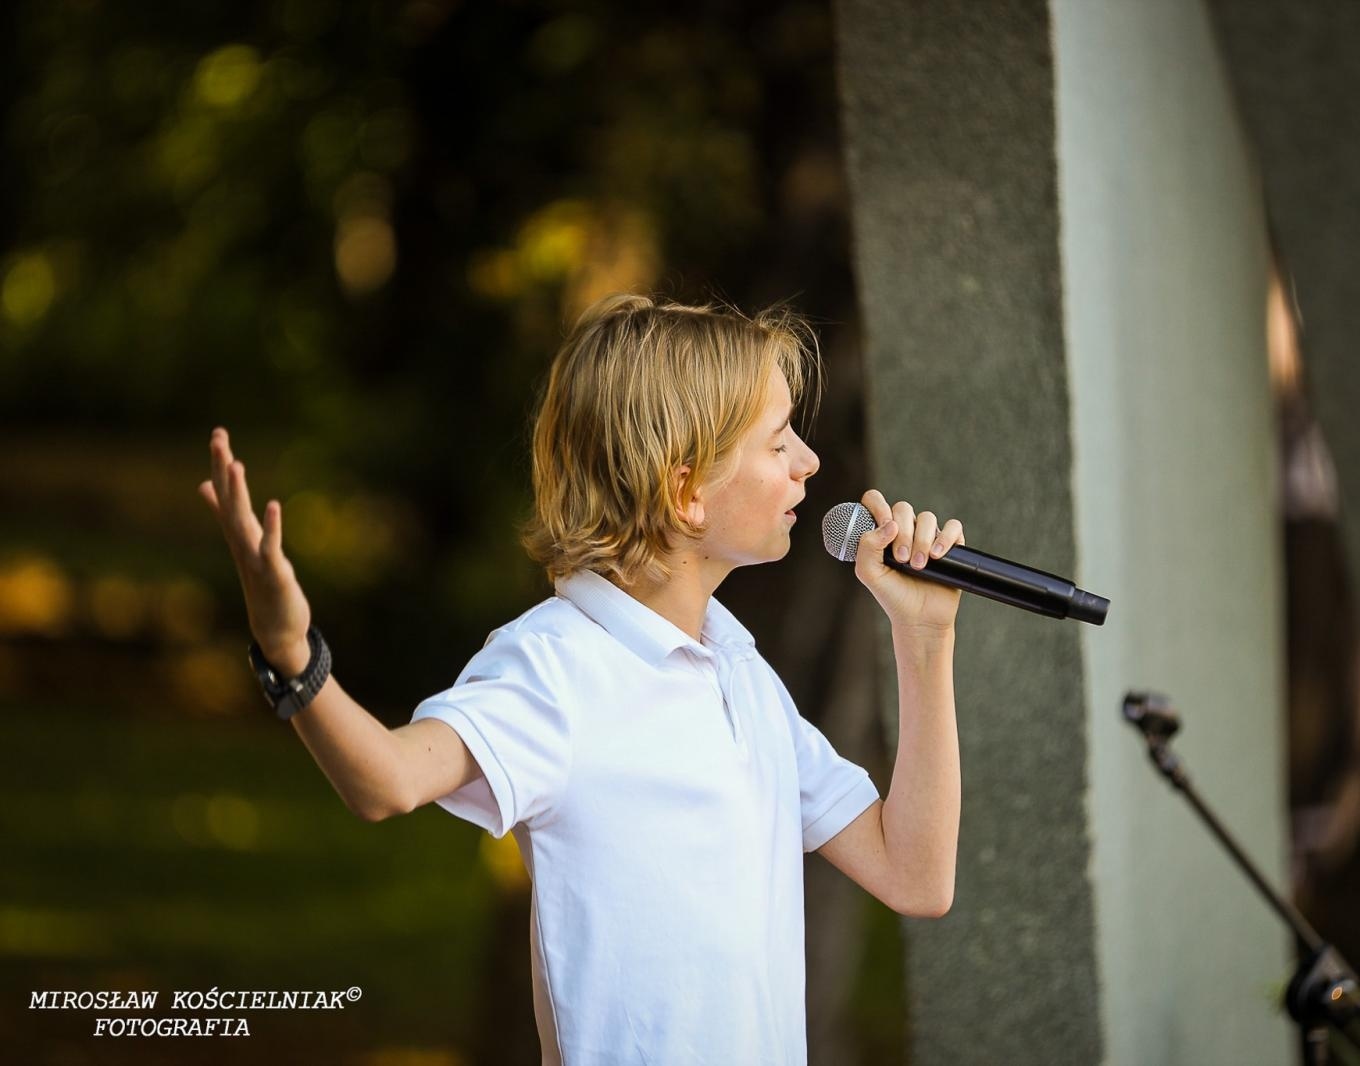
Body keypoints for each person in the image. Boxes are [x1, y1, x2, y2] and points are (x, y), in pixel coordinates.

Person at [198, 292, 965, 1065]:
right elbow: (386, 780)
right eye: (777, 443)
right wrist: (291, 656)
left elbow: (916, 876)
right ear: (686, 490)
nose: (810, 461)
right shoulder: (557, 666)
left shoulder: (740, 674)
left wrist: (925, 637)